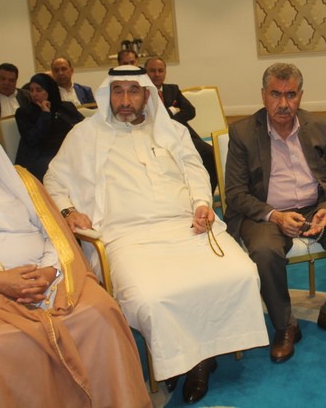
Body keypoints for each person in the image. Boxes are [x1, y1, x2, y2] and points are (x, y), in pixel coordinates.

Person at [44, 66, 268, 404]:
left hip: (185, 226)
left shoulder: (172, 130)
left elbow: (196, 172)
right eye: (118, 91)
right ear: (108, 95)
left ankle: (197, 356)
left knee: (240, 272)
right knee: (150, 297)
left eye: (133, 91)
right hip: (125, 236)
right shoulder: (84, 135)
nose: (125, 100)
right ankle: (192, 360)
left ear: (147, 95)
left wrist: (201, 204)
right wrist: (68, 211)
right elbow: (53, 180)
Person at [0, 109, 150, 407]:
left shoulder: (20, 179)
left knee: (103, 313)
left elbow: (54, 231)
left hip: (50, 281)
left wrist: (49, 271)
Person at [225, 63, 326, 363]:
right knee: (265, 252)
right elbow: (236, 194)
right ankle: (285, 325)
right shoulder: (243, 132)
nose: (283, 103)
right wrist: (275, 216)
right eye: (275, 94)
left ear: (300, 96)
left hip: (314, 206)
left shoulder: (320, 126)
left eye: (290, 95)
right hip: (266, 212)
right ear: (263, 95)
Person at [144, 56, 218, 192]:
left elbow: (190, 111)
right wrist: (173, 110)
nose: (157, 74)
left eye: (160, 70)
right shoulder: (141, 93)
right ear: (145, 72)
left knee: (211, 154)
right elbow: (151, 119)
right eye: (152, 71)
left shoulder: (172, 89)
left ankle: (208, 195)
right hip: (157, 138)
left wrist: (168, 118)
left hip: (182, 134)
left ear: (165, 72)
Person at [15, 73, 84, 180]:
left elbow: (82, 127)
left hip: (67, 152)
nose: (34, 94)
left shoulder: (65, 107)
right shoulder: (24, 112)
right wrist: (45, 114)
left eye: (39, 90)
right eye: (31, 90)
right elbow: (32, 139)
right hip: (40, 157)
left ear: (50, 90)